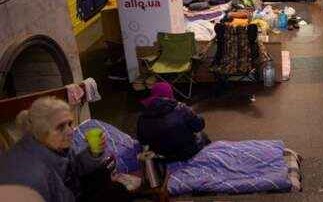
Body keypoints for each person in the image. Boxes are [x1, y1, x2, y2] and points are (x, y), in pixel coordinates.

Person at [0, 97, 130, 202]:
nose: (70, 131)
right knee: (115, 194)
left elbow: (73, 167)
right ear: (40, 130)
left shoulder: (54, 145)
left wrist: (93, 153)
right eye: (60, 127)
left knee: (105, 177)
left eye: (70, 124)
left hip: (69, 192)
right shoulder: (32, 175)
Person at [137, 82, 209, 162]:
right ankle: (208, 157)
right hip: (188, 152)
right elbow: (199, 126)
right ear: (170, 95)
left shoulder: (142, 117)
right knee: (203, 135)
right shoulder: (182, 108)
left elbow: (142, 140)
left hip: (163, 157)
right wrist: (191, 112)